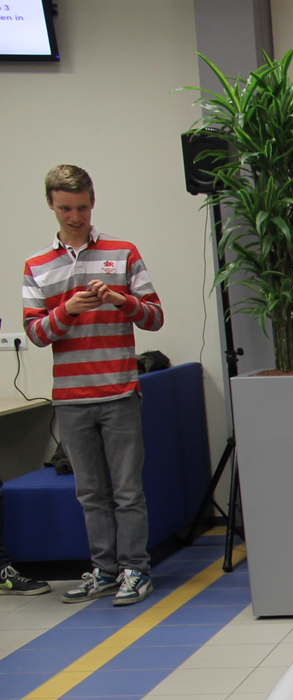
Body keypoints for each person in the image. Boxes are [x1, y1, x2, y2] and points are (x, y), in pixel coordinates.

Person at [22, 165, 164, 607]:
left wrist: (121, 300)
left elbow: (155, 317)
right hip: (70, 397)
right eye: (65, 208)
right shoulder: (36, 265)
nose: (75, 217)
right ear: (51, 204)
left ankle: (135, 570)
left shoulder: (123, 253)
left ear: (93, 202)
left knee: (127, 491)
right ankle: (104, 571)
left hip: (119, 391)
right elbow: (36, 333)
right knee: (90, 494)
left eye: (82, 207)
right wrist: (68, 310)